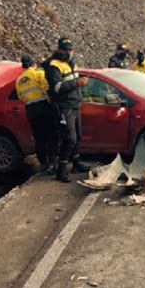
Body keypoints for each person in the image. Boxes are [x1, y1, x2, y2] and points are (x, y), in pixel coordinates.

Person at [42, 37, 90, 183]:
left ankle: (76, 163)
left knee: (78, 136)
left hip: (74, 104)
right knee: (70, 139)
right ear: (59, 49)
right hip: (64, 106)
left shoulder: (70, 63)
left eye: (70, 49)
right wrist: (78, 83)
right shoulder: (53, 65)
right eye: (66, 49)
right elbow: (57, 88)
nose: (69, 52)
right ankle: (61, 170)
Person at [16, 54, 57, 175]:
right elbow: (46, 89)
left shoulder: (19, 80)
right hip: (43, 107)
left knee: (39, 138)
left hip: (31, 110)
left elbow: (21, 97)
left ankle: (43, 163)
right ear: (33, 62)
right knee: (50, 136)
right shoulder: (38, 73)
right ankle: (52, 163)